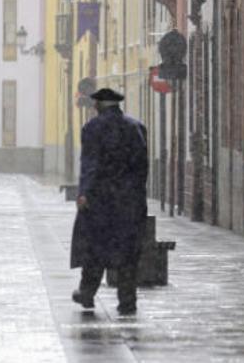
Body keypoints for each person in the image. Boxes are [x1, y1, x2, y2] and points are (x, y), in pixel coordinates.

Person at [70, 87, 148, 316]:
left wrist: (84, 192)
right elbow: (142, 167)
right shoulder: (136, 127)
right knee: (127, 252)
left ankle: (87, 293)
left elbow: (90, 163)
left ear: (100, 105)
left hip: (101, 200)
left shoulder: (93, 128)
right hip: (129, 201)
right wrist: (135, 193)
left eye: (95, 103)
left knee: (95, 248)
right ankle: (127, 301)